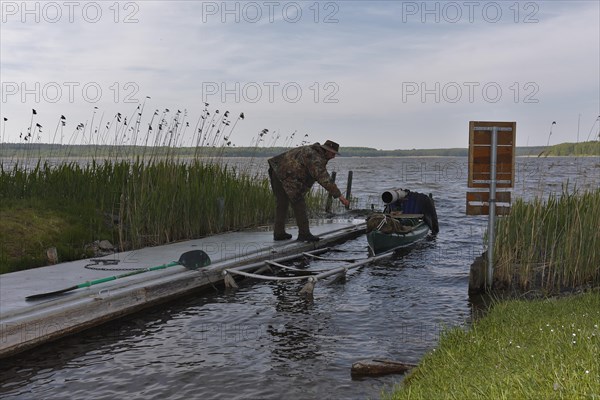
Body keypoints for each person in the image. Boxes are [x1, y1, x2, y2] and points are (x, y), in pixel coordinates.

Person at [268, 140, 350, 242]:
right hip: (286, 175)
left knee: (282, 204)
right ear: (326, 150)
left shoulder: (313, 152)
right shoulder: (314, 157)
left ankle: (279, 233)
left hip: (277, 171)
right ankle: (304, 234)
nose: (333, 156)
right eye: (333, 153)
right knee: (299, 203)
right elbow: (323, 178)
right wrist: (340, 196)